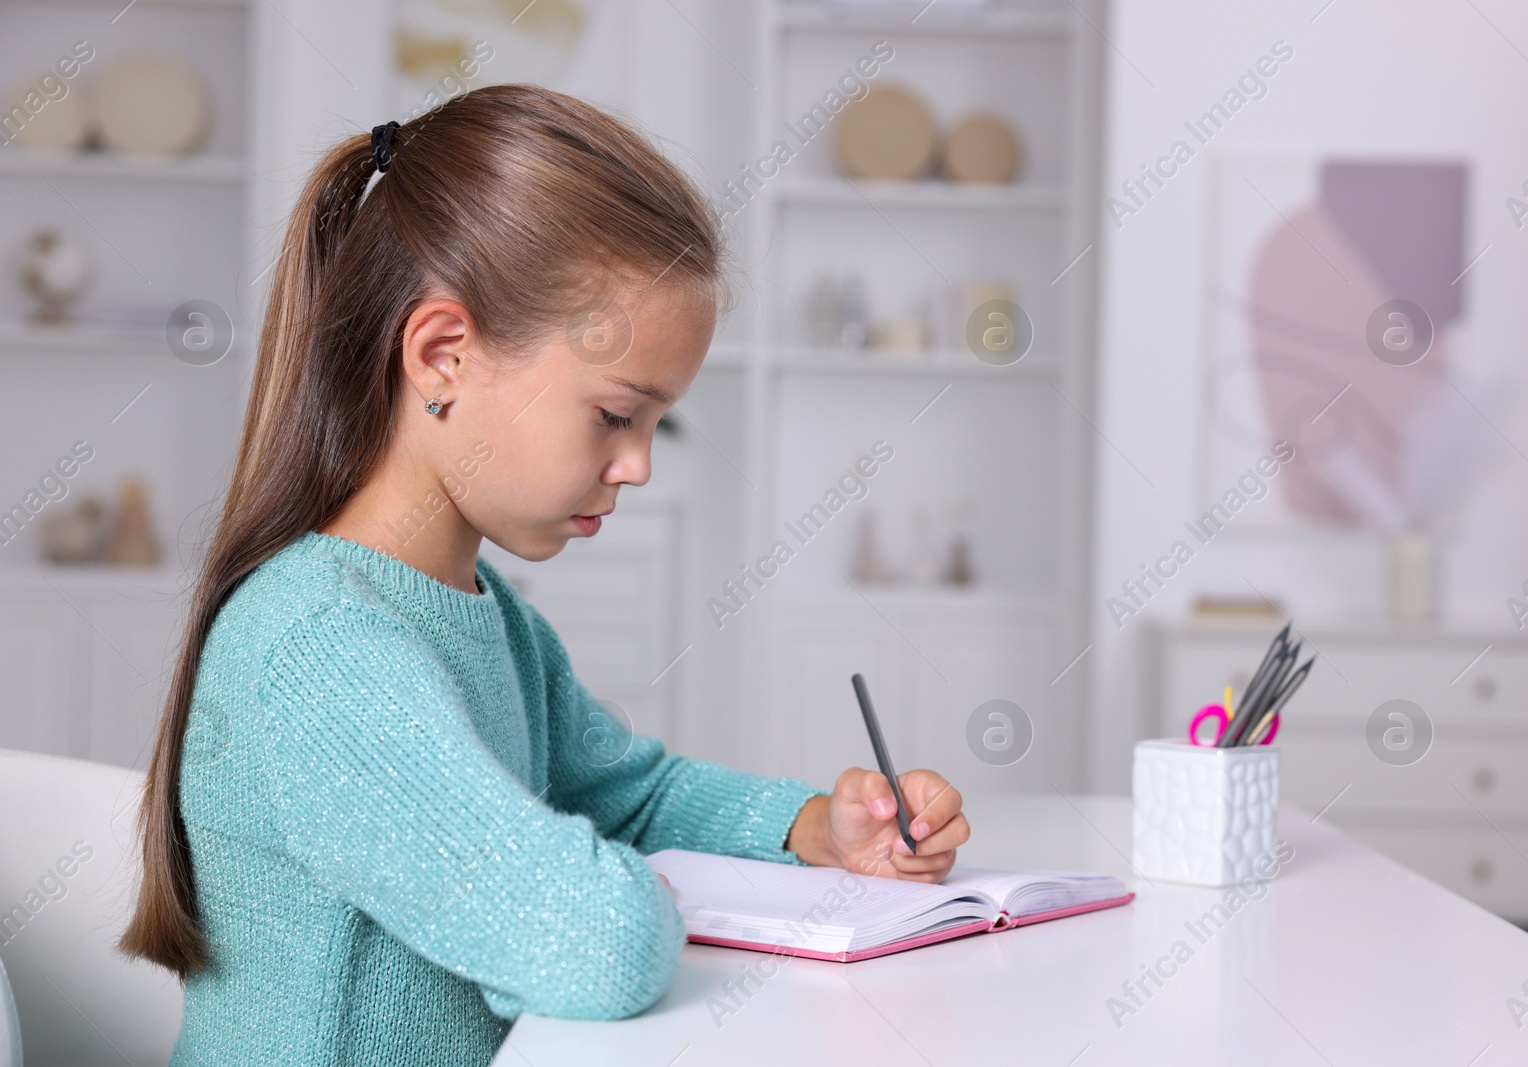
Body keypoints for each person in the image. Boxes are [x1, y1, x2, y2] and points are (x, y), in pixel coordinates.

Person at [115, 83, 969, 1065]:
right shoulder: (319, 650)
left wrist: (817, 827)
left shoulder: (490, 619)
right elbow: (594, 943)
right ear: (442, 354)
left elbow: (627, 798)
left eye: (656, 423)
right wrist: (613, 884)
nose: (638, 463)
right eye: (615, 414)